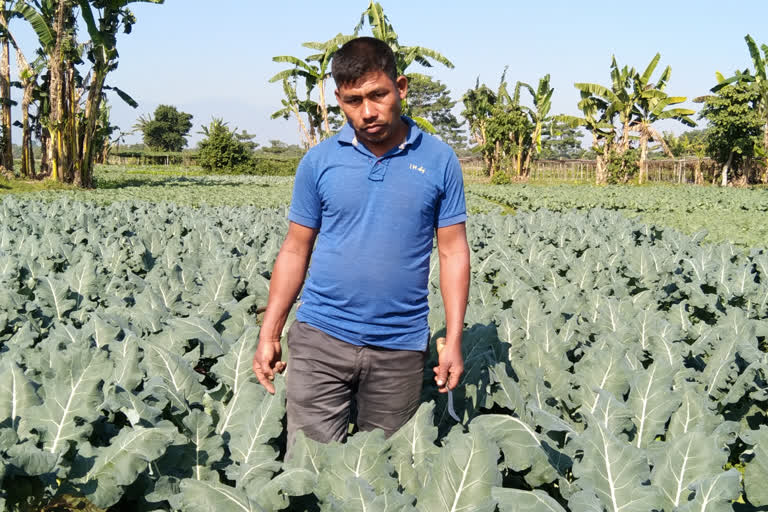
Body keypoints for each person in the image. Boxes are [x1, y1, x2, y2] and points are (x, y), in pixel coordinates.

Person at [252, 36, 470, 449]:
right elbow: (295, 249)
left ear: (400, 88)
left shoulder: (440, 161)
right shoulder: (319, 162)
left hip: (399, 348)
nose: (367, 112)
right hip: (320, 338)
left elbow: (454, 252)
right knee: (311, 468)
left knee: (383, 475)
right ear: (339, 99)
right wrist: (270, 331)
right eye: (354, 101)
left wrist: (454, 339)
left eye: (378, 95)